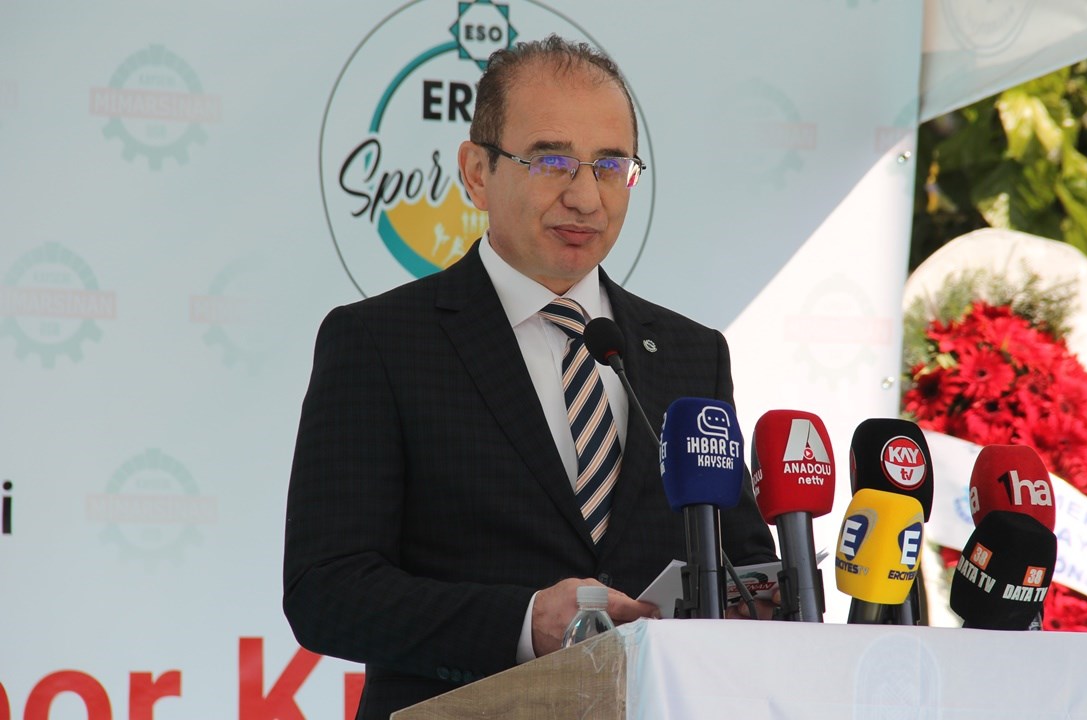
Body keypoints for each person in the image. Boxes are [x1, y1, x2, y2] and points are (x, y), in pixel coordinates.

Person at [283, 35, 776, 718]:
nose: (585, 197)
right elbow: (326, 591)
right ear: (477, 172)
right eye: (552, 161)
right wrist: (524, 622)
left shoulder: (693, 355)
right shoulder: (380, 342)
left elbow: (747, 569)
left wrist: (754, 603)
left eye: (610, 165)